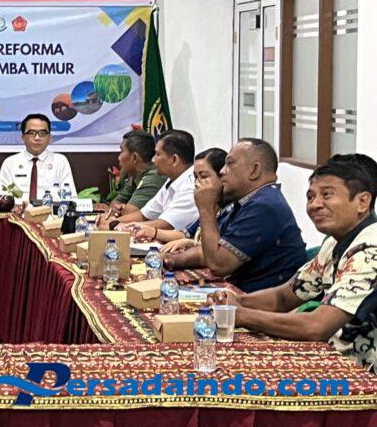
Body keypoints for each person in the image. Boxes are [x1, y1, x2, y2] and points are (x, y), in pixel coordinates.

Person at [210, 161, 377, 371]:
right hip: (332, 357)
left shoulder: (370, 250)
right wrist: (235, 301)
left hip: (363, 374)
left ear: (362, 202)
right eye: (310, 197)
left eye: (327, 195)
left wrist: (241, 315)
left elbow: (317, 327)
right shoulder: (334, 242)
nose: (315, 205)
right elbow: (284, 297)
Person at [166, 139, 307, 292]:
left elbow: (219, 264)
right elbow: (211, 251)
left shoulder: (264, 206)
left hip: (259, 300)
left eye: (230, 164)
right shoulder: (246, 201)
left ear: (254, 170)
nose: (222, 171)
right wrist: (171, 259)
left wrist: (206, 209)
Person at [98, 129, 198, 237]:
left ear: (174, 160)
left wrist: (116, 227)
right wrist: (112, 222)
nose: (154, 160)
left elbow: (166, 224)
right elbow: (144, 214)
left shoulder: (191, 186)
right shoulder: (172, 180)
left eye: (158, 154)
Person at [159, 147, 227, 253]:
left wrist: (189, 243)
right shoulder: (213, 206)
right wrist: (153, 232)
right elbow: (185, 234)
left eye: (203, 176)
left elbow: (221, 251)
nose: (197, 183)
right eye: (195, 177)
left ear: (223, 177)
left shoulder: (229, 211)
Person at [0, 114, 74, 201]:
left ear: (49, 138)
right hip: (19, 209)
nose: (37, 138)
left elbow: (70, 198)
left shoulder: (60, 161)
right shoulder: (10, 163)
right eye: (31, 133)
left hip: (51, 209)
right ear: (23, 137)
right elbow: (2, 198)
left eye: (42, 133)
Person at [108, 130, 167, 216]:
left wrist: (122, 209)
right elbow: (114, 204)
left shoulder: (154, 177)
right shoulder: (135, 175)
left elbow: (129, 214)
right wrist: (120, 208)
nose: (119, 157)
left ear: (134, 157)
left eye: (122, 151)